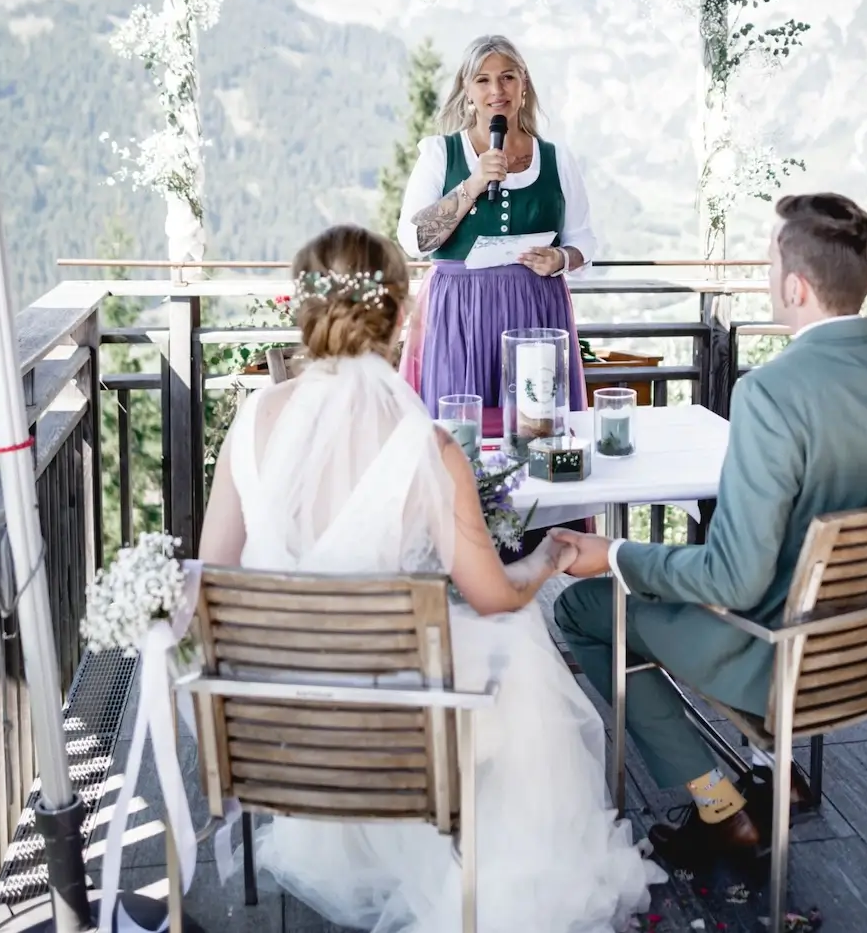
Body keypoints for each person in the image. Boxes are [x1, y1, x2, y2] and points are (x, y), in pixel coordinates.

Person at [199, 224, 659, 932]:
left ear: (304, 307)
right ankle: (491, 869)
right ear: (402, 312)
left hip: (278, 723)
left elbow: (213, 578)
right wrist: (550, 556)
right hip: (397, 733)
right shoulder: (426, 444)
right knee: (521, 635)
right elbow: (492, 594)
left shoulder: (251, 418)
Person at [550, 193, 867, 870]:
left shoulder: (772, 391)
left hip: (781, 652)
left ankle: (718, 804)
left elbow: (734, 578)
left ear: (793, 285)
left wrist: (611, 552)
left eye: (768, 262)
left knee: (582, 607)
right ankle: (773, 768)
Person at [396, 34, 596, 435]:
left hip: (536, 309)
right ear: (467, 90)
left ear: (524, 86)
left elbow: (585, 240)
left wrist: (561, 258)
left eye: (507, 78)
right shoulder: (441, 153)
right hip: (459, 311)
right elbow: (415, 239)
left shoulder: (556, 158)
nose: (496, 90)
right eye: (483, 80)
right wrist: (473, 183)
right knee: (458, 431)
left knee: (537, 432)